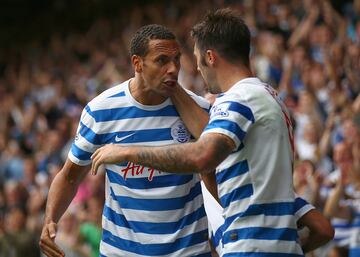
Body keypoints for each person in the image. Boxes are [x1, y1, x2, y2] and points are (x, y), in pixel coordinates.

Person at [91, 8, 313, 256]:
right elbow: (322, 230)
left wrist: (127, 152)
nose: (195, 68)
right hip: (281, 244)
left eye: (196, 59)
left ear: (210, 57)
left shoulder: (239, 99)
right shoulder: (269, 95)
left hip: (252, 244)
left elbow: (202, 156)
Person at [39, 24, 212, 257]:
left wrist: (173, 88)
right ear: (137, 64)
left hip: (187, 251)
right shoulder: (102, 111)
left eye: (176, 60)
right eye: (161, 60)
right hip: (122, 251)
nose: (173, 68)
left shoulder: (197, 109)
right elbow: (69, 176)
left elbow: (213, 154)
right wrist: (50, 219)